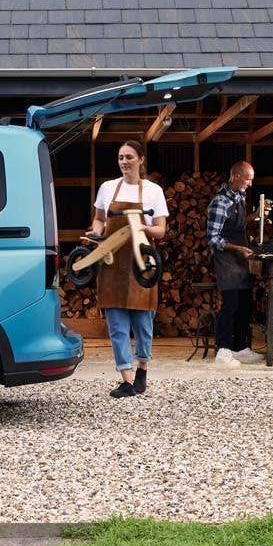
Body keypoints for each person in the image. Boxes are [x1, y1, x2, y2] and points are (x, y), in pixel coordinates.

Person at [85, 140, 168, 398]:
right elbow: (99, 220)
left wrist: (144, 228)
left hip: (141, 265)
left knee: (143, 323)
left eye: (129, 157)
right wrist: (95, 233)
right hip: (112, 263)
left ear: (141, 160)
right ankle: (127, 380)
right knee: (117, 326)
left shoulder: (153, 191)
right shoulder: (108, 188)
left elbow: (161, 230)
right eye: (121, 157)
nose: (124, 162)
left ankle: (142, 366)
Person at [206, 161, 264, 366]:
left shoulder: (239, 198)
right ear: (236, 176)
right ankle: (223, 350)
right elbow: (213, 238)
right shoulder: (220, 202)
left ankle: (239, 347)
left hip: (240, 262)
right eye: (248, 179)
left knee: (245, 304)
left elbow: (236, 222)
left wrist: (253, 217)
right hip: (226, 261)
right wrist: (238, 248)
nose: (250, 183)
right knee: (230, 305)